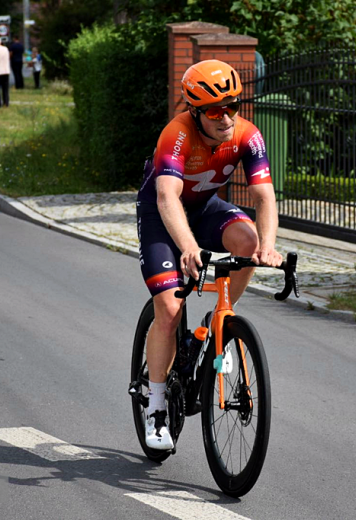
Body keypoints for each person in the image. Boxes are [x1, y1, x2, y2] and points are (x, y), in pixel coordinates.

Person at [136, 60, 282, 450]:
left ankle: (219, 323)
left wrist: (267, 244)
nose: (226, 117)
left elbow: (264, 197)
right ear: (195, 111)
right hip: (162, 216)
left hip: (205, 209)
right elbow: (167, 196)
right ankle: (155, 407)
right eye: (215, 110)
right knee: (168, 309)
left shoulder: (248, 136)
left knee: (248, 243)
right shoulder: (177, 134)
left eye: (232, 106)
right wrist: (187, 248)